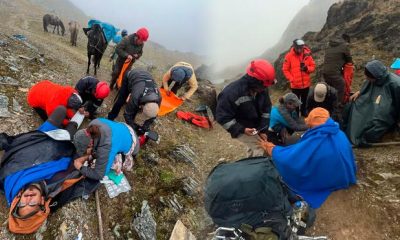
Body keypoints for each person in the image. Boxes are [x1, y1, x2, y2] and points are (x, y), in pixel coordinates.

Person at [0, 106, 84, 234]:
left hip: (42, 136)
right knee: (75, 133)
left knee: (61, 109)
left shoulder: (11, 181)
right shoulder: (55, 186)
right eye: (32, 205)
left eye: (22, 205)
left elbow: (14, 152)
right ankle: (82, 113)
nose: (28, 199)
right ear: (41, 202)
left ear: (17, 201)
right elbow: (75, 169)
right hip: (63, 147)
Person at [259, 107, 357, 208]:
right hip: (343, 174)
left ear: (313, 123)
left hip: (325, 177)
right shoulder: (339, 133)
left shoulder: (317, 139)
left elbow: (292, 157)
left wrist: (271, 148)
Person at [216, 59, 276, 157]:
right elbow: (222, 117)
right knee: (261, 148)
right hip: (241, 125)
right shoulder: (231, 93)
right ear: (255, 82)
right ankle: (258, 170)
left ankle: (249, 161)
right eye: (264, 86)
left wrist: (263, 130)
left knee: (254, 146)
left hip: (256, 125)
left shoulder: (262, 88)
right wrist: (242, 129)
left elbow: (266, 109)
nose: (265, 88)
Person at [345, 60, 400, 146]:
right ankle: (353, 132)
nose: (367, 80)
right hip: (373, 105)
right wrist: (359, 92)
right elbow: (367, 87)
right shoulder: (374, 78)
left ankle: (364, 137)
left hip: (386, 112)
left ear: (376, 77)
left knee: (375, 122)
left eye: (369, 78)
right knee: (352, 105)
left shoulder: (395, 84)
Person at [107, 69, 161, 133]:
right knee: (121, 100)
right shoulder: (136, 96)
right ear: (142, 106)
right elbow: (127, 114)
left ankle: (131, 123)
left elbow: (153, 116)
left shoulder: (159, 98)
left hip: (144, 79)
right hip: (130, 76)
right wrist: (134, 128)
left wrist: (145, 127)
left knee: (134, 107)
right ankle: (110, 118)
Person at [282, 39, 316, 116]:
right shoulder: (288, 56)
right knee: (295, 102)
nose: (300, 50)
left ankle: (304, 112)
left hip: (306, 84)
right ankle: (296, 114)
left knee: (304, 100)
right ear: (294, 47)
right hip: (295, 85)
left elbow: (313, 66)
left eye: (301, 48)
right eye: (298, 48)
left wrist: (307, 68)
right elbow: (285, 69)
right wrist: (292, 79)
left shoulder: (307, 55)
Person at [322, 33, 353, 103]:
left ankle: (329, 105)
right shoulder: (344, 45)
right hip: (334, 74)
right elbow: (349, 60)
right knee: (342, 86)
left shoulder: (329, 45)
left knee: (330, 90)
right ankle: (338, 107)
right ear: (346, 40)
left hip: (325, 73)